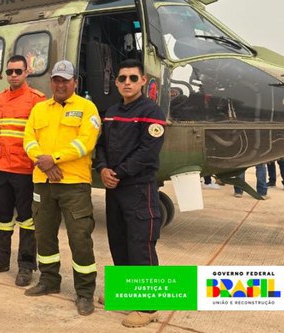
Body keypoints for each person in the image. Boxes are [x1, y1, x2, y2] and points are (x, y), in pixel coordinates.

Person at [22, 60, 100, 316]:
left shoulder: (87, 108)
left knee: (80, 238)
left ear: (74, 82)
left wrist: (53, 159)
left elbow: (85, 143)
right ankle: (49, 280)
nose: (60, 84)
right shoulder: (40, 109)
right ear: (51, 81)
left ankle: (85, 292)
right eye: (56, 79)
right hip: (42, 181)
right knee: (43, 235)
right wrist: (43, 164)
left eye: (65, 80)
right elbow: (29, 139)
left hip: (73, 184)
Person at [94, 59, 166, 327]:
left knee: (141, 246)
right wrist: (102, 168)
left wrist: (118, 173)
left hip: (138, 189)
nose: (127, 82)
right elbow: (100, 145)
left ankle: (148, 308)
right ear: (116, 82)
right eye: (122, 78)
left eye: (132, 78)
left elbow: (148, 152)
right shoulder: (112, 111)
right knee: (119, 242)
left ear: (143, 81)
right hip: (114, 189)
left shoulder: (151, 112)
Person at [0, 55, 45, 286]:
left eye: (18, 71)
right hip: (2, 168)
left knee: (27, 221)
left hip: (26, 170)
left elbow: (40, 135)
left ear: (27, 72)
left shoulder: (37, 100)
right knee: (3, 219)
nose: (14, 75)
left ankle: (26, 265)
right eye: (10, 72)